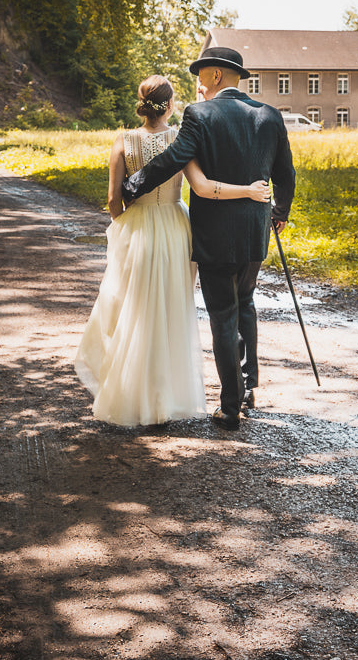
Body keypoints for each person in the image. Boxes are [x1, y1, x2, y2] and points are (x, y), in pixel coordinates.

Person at [74, 75, 271, 428]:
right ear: (170, 105)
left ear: (142, 103)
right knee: (170, 314)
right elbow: (202, 186)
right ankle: (164, 401)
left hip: (138, 228)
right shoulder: (182, 138)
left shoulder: (122, 142)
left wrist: (126, 225)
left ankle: (137, 398)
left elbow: (112, 200)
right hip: (176, 230)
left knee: (136, 311)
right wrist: (249, 191)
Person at [122, 47, 296, 432]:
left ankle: (230, 407)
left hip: (215, 234)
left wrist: (134, 184)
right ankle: (249, 386)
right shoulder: (270, 115)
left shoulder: (199, 114)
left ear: (216, 76)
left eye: (201, 75)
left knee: (222, 313)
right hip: (255, 231)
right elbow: (286, 173)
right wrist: (279, 213)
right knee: (245, 300)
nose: (198, 83)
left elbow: (174, 157)